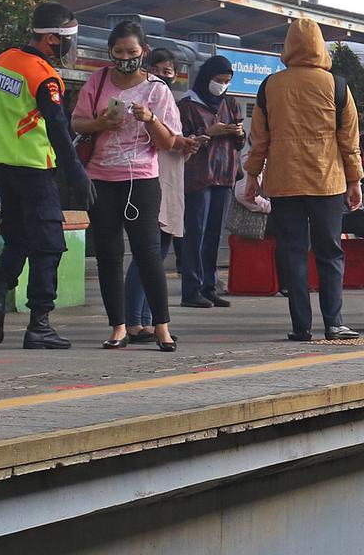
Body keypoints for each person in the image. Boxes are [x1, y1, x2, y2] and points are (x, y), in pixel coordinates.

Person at [245, 18, 364, 342]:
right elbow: (348, 140)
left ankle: (301, 327)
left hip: (284, 181)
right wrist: (355, 180)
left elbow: (260, 138)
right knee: (330, 252)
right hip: (327, 181)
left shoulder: (270, 86)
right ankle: (334, 323)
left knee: (293, 252)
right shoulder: (337, 86)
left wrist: (252, 175)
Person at [0, 2, 92, 349]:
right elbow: (58, 128)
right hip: (34, 169)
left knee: (17, 239)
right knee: (48, 245)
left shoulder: (4, 61)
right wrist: (76, 173)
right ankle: (39, 323)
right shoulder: (44, 77)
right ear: (51, 39)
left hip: (4, 167)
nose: (70, 46)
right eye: (68, 38)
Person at [71, 20, 179, 351]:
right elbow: (76, 121)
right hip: (101, 180)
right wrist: (102, 123)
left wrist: (151, 120)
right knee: (108, 255)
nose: (125, 58)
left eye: (132, 52)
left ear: (143, 52)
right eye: (118, 52)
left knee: (147, 253)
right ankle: (118, 327)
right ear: (110, 53)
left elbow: (169, 141)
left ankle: (161, 327)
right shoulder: (98, 80)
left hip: (142, 181)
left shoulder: (157, 89)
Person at [123, 48, 198, 341]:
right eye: (161, 69)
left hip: (168, 175)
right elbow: (161, 137)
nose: (166, 76)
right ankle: (134, 320)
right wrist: (181, 142)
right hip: (152, 175)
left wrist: (185, 144)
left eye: (170, 70)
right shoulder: (148, 93)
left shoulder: (163, 94)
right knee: (148, 251)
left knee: (156, 250)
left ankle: (143, 320)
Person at [177, 56, 244, 308]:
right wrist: (208, 134)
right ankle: (191, 289)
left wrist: (238, 133)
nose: (222, 85)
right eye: (218, 80)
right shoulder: (188, 105)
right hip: (199, 177)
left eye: (226, 81)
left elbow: (239, 143)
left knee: (214, 234)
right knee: (196, 233)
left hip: (224, 175)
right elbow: (182, 141)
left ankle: (209, 285)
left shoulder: (230, 103)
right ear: (207, 78)